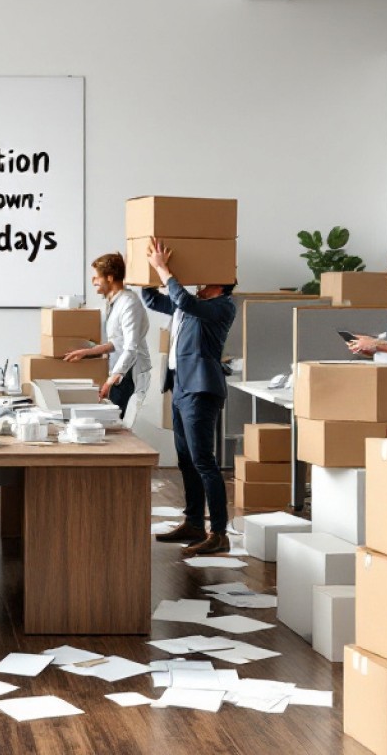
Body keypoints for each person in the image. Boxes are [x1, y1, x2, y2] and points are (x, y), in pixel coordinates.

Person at [140, 238, 237, 556]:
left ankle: (219, 533)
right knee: (186, 460)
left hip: (201, 390)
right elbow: (152, 299)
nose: (201, 286)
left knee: (204, 461)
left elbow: (182, 298)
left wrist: (164, 269)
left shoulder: (221, 306)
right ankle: (194, 523)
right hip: (181, 388)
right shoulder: (192, 304)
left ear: (220, 284)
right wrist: (148, 273)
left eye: (207, 282)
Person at [63, 252, 151, 418]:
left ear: (110, 278)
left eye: (96, 277)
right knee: (110, 420)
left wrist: (110, 381)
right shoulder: (114, 302)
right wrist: (87, 352)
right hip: (119, 373)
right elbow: (117, 343)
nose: (93, 282)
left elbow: (131, 348)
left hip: (128, 374)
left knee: (117, 423)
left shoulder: (129, 304)